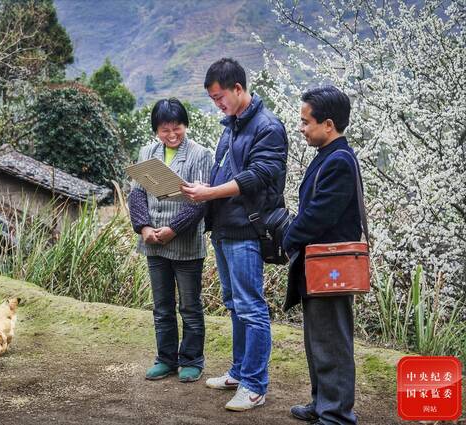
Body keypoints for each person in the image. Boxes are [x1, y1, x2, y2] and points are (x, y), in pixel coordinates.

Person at [181, 58, 288, 411]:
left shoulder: (267, 126)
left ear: (238, 89)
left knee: (251, 306)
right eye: (213, 99)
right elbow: (224, 171)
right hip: (224, 229)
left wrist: (209, 193)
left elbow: (258, 176)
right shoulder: (231, 127)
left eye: (218, 97)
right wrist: (204, 188)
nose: (217, 104)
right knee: (234, 305)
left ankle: (255, 385)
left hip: (247, 229)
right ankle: (239, 372)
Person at [282, 85, 360, 425]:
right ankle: (322, 403)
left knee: (332, 341)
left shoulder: (339, 160)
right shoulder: (329, 155)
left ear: (328, 124)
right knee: (318, 340)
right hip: (318, 264)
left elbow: (319, 215)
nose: (301, 128)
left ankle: (337, 414)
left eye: (305, 122)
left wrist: (288, 236)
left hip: (330, 265)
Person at [128, 98, 213, 383]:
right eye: (165, 130)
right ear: (156, 130)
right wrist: (144, 228)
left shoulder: (200, 154)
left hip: (186, 243)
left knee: (190, 306)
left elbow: (201, 201)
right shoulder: (147, 152)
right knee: (161, 306)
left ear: (185, 125)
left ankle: (192, 359)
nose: (172, 135)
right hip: (153, 242)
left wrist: (173, 229)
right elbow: (137, 193)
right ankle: (165, 359)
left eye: (177, 128)